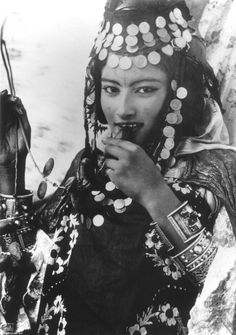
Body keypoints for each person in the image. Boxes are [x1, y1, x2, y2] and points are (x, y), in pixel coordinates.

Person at [1, 0, 236, 334]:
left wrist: (155, 194)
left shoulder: (216, 173)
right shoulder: (87, 169)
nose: (123, 109)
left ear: (177, 93)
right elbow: (26, 273)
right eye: (111, 89)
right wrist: (9, 170)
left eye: (145, 89)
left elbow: (226, 297)